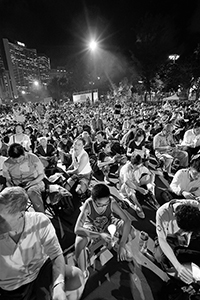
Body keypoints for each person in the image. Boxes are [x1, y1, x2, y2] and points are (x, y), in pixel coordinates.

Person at [0, 186, 84, 300]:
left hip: (40, 269)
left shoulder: (39, 220)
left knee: (76, 276)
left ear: (21, 215)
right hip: (12, 285)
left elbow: (56, 254)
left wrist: (58, 286)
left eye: (1, 219)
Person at [74, 183, 135, 278]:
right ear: (93, 200)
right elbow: (77, 229)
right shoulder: (88, 204)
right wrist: (99, 235)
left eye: (105, 204)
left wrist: (122, 244)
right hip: (93, 226)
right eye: (99, 204)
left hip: (108, 224)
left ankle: (116, 243)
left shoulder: (112, 202)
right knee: (79, 241)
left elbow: (127, 220)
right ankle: (82, 272)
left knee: (131, 232)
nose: (102, 207)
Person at [155, 199, 200, 285]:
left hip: (190, 235)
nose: (183, 233)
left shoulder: (195, 206)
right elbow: (162, 240)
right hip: (169, 238)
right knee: (160, 257)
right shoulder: (162, 213)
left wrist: (189, 235)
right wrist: (178, 267)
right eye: (183, 230)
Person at [3, 143, 45, 212]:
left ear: (24, 154)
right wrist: (12, 187)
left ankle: (41, 217)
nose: (17, 161)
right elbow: (8, 180)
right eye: (14, 160)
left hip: (35, 182)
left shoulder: (32, 157)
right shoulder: (6, 163)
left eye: (20, 159)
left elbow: (41, 174)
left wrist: (32, 182)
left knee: (32, 192)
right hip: (18, 186)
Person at [119, 153, 157, 219]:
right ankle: (138, 206)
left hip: (136, 183)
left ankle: (154, 200)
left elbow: (151, 174)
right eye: (139, 165)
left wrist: (150, 183)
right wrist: (139, 189)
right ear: (134, 165)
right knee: (128, 186)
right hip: (125, 187)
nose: (141, 166)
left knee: (148, 179)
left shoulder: (140, 166)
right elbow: (127, 182)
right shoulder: (126, 169)